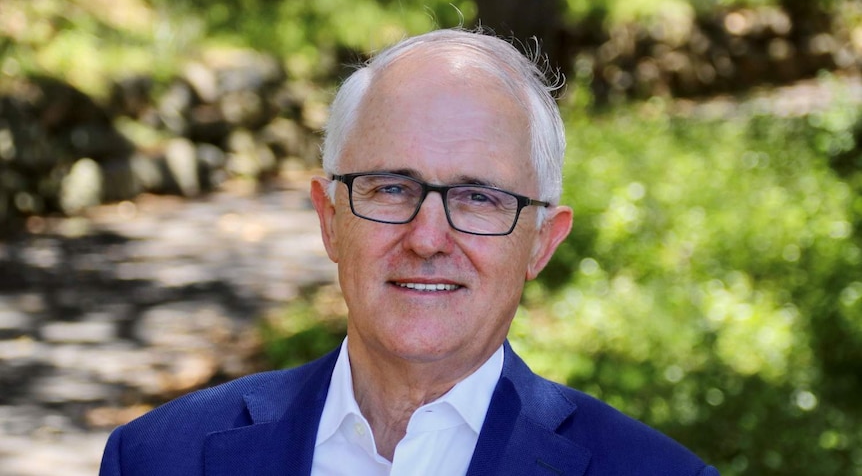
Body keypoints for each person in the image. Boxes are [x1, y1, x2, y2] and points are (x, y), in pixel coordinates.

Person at [99, 28, 719, 475]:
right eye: (391, 188)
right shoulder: (158, 459)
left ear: (541, 242)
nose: (426, 238)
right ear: (329, 218)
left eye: (478, 197)